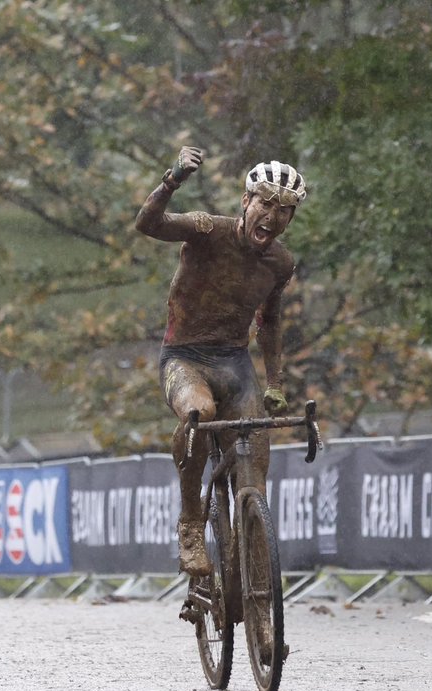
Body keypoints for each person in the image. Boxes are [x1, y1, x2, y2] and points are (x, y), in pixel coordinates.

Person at [134, 147, 306, 578]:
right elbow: (148, 224)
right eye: (265, 203)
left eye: (284, 210)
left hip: (236, 367)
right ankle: (192, 521)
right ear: (246, 202)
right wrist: (171, 179)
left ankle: (255, 590)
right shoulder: (208, 230)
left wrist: (276, 384)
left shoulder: (280, 263)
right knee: (199, 413)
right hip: (185, 360)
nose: (272, 216)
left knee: (253, 477)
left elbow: (270, 322)